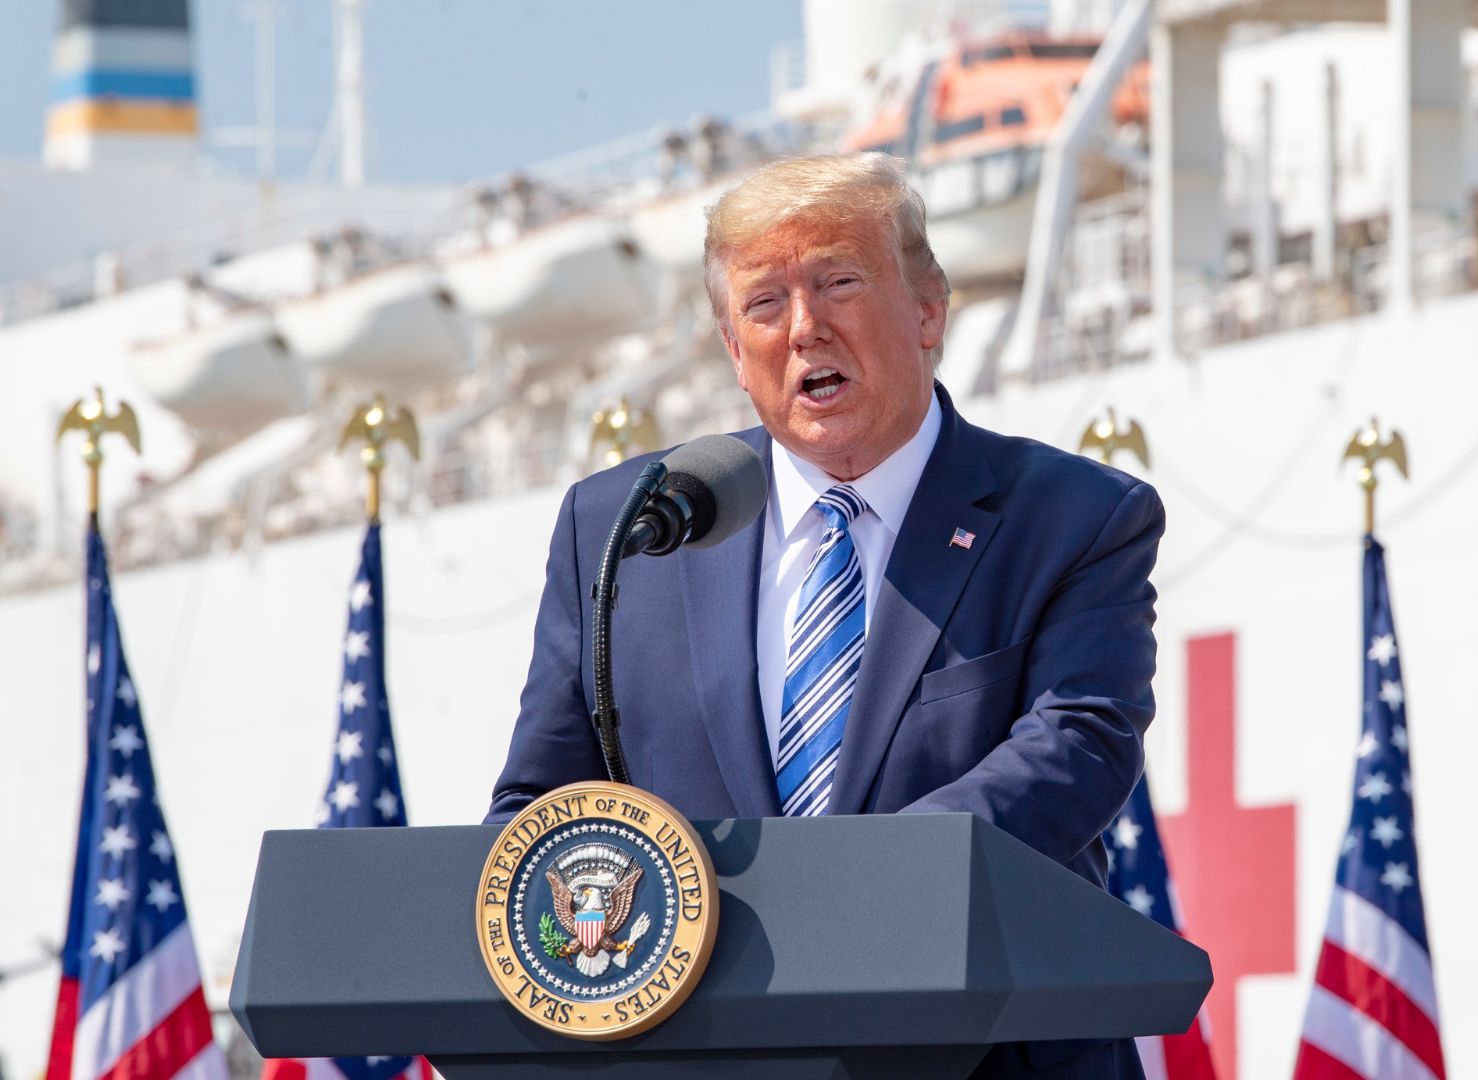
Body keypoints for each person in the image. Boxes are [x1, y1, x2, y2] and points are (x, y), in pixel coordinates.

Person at [487, 153, 1164, 1079]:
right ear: (735, 350)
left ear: (928, 310)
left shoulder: (1074, 518)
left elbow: (1080, 745)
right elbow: (541, 807)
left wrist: (844, 893)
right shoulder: (626, 530)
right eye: (764, 305)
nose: (804, 328)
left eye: (839, 283)